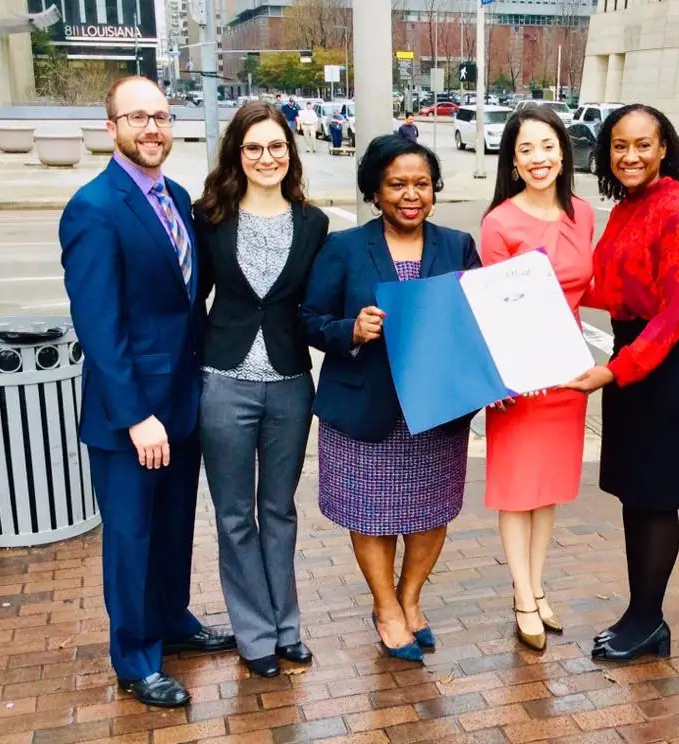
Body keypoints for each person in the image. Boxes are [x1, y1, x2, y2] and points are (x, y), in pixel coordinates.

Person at [58, 76, 235, 708]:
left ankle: (172, 620)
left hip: (182, 401)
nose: (152, 128)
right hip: (130, 415)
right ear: (112, 128)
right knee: (131, 537)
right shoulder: (93, 208)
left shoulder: (178, 196)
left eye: (160, 116)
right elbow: (100, 328)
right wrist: (137, 417)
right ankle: (134, 657)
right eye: (137, 118)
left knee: (172, 528)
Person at [301, 135, 479, 662]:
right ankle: (385, 607)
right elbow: (309, 320)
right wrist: (350, 331)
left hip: (435, 408)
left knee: (430, 510)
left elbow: (475, 324)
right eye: (397, 184)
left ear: (434, 190)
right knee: (371, 512)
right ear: (375, 192)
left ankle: (410, 599)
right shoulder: (345, 248)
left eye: (421, 184)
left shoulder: (457, 245)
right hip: (366, 406)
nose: (410, 195)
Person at [563, 105, 679, 662]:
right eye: (619, 146)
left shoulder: (677, 210)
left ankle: (649, 620)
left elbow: (676, 312)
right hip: (635, 352)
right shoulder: (629, 206)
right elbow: (616, 288)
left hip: (668, 362)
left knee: (655, 497)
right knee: (635, 494)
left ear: (664, 149)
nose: (630, 156)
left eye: (643, 145)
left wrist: (614, 370)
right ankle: (640, 612)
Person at [193, 101, 329, 678]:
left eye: (277, 147)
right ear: (237, 155)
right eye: (254, 148)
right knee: (233, 515)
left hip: (291, 384)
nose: (266, 157)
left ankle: (286, 627)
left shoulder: (313, 223)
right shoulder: (210, 216)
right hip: (224, 382)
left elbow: (318, 306)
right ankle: (253, 636)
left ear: (290, 153)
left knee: (278, 510)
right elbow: (190, 297)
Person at [480, 105, 594, 652]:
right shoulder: (499, 222)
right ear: (513, 160)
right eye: (525, 149)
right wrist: (501, 379)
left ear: (563, 150)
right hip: (518, 376)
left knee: (546, 490)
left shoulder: (583, 213)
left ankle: (538, 587)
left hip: (568, 372)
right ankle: (522, 595)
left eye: (547, 145)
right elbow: (489, 308)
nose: (538, 158)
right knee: (516, 491)